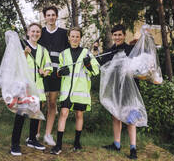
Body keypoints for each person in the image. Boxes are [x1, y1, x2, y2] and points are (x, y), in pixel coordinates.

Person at [50, 27, 99, 155]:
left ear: (80, 38)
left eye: (77, 36)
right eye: (72, 36)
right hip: (67, 91)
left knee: (79, 115)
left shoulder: (86, 53)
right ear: (69, 37)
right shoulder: (63, 54)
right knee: (63, 113)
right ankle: (58, 145)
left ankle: (77, 143)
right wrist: (60, 72)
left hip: (80, 91)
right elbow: (59, 71)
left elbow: (95, 71)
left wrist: (88, 65)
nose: (75, 39)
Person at [10, 23, 52, 156]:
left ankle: (32, 139)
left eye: (38, 32)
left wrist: (44, 72)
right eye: (33, 31)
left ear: (40, 34)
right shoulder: (22, 46)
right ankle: (15, 144)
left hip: (38, 88)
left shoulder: (43, 50)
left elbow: (49, 67)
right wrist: (25, 54)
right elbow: (14, 64)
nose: (35, 34)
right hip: (24, 87)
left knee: (35, 114)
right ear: (28, 32)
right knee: (21, 115)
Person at [98, 24, 138, 159]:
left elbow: (138, 68)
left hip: (129, 90)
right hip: (115, 90)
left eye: (120, 34)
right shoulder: (109, 52)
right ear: (112, 36)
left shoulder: (131, 50)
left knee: (130, 118)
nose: (117, 37)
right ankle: (117, 144)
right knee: (116, 116)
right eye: (115, 35)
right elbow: (102, 67)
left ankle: (133, 148)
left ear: (124, 35)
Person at [38, 6, 70, 146]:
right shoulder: (41, 33)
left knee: (52, 103)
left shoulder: (64, 33)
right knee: (39, 103)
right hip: (42, 74)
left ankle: (48, 134)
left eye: (53, 15)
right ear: (45, 17)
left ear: (56, 16)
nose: (51, 17)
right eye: (48, 15)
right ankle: (36, 133)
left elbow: (69, 53)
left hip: (56, 75)